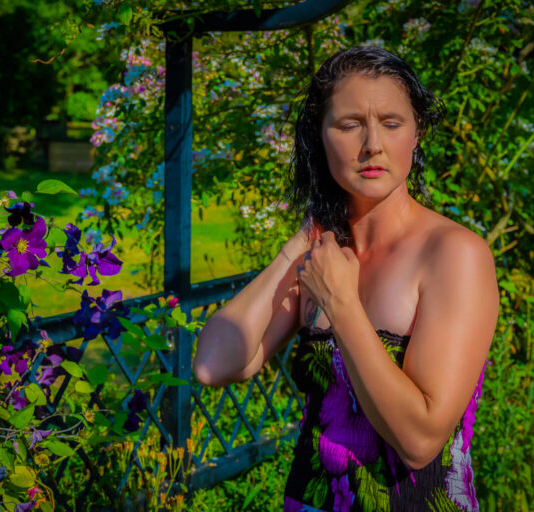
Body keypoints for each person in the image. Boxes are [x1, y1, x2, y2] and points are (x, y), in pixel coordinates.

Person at [193, 45, 499, 511]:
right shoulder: (321, 259)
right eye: (349, 124)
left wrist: (340, 305)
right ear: (320, 137)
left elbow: (419, 441)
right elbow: (213, 364)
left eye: (391, 124)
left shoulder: (454, 254)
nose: (372, 144)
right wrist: (297, 245)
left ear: (415, 135)